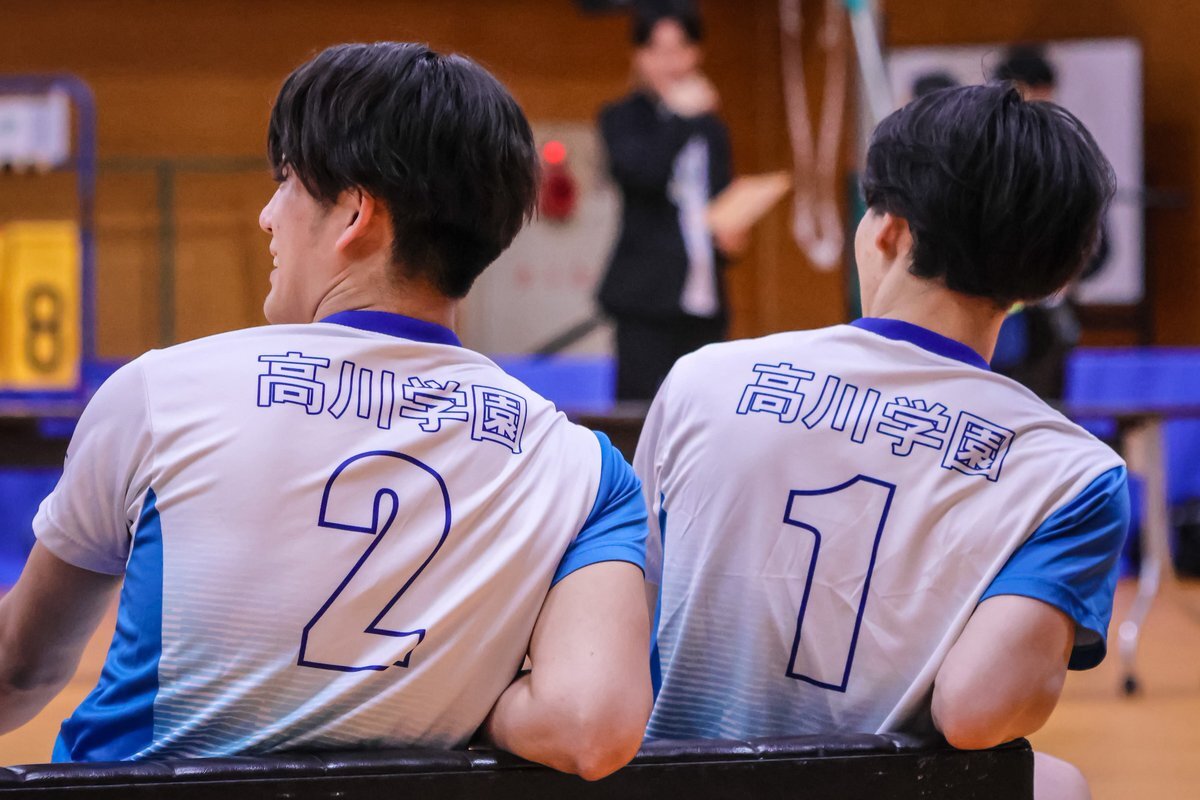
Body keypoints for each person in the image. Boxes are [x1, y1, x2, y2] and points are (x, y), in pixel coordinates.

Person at [0, 42, 652, 778]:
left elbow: (20, 669)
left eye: (286, 182)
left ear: (354, 213)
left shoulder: (158, 395)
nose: (266, 215)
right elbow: (588, 726)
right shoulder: (584, 470)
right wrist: (469, 705)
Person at [636, 84, 1124, 798]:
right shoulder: (1074, 474)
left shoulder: (702, 379)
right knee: (1060, 785)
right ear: (1051, 276)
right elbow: (978, 712)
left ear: (888, 231)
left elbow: (628, 624)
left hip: (673, 785)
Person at [597, 8, 745, 402]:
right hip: (644, 298)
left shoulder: (712, 129)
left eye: (681, 49)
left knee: (706, 410)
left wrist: (731, 234)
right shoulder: (622, 118)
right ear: (639, 56)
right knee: (639, 415)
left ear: (697, 53)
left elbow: (717, 200)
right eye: (659, 50)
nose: (671, 62)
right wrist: (680, 117)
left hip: (705, 298)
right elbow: (642, 176)